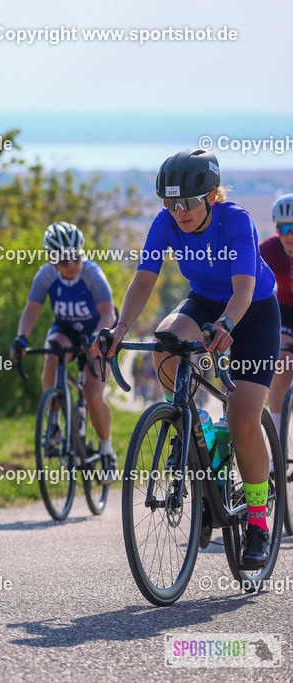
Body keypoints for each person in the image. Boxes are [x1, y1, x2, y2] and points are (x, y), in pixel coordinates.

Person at [97, 149, 279, 569]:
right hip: (204, 301)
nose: (177, 212)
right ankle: (187, 422)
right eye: (169, 203)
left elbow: (243, 290)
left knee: (243, 419)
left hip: (251, 312)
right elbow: (144, 279)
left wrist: (227, 326)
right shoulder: (166, 224)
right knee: (165, 343)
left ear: (211, 197)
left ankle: (257, 523)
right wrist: (121, 329)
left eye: (186, 204)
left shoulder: (236, 221)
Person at [11, 222, 118, 476]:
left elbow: (109, 314)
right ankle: (55, 423)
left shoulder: (92, 273)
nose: (70, 265)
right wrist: (21, 339)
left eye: (75, 257)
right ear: (51, 259)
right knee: (52, 353)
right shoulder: (45, 275)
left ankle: (106, 449)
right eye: (62, 260)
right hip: (66, 330)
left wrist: (96, 339)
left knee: (93, 395)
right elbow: (31, 311)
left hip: (97, 331)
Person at [259, 193, 293, 430]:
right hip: (287, 312)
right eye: (284, 228)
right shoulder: (269, 249)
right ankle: (280, 445)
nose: (289, 235)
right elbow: (245, 277)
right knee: (281, 362)